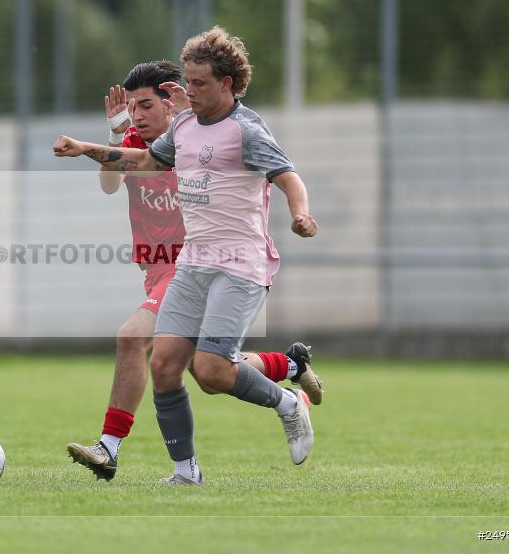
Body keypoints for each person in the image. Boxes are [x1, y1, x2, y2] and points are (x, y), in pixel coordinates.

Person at [63, 55, 323, 482]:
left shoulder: (214, 130)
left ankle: (109, 447)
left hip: (210, 263)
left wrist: (300, 214)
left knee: (137, 339)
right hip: (170, 269)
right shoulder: (153, 139)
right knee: (198, 368)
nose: (136, 114)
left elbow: (280, 174)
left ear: (171, 101)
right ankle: (288, 369)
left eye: (146, 104)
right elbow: (113, 182)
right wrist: (101, 140)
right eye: (132, 106)